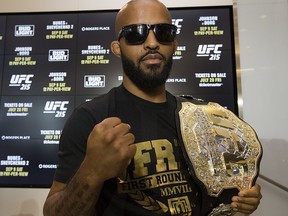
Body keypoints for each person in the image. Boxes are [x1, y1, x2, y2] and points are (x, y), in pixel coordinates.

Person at [43, 0, 262, 215]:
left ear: (174, 45)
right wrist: (91, 172)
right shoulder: (91, 118)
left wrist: (240, 202)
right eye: (135, 33)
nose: (152, 43)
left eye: (163, 32)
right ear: (117, 48)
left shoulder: (201, 117)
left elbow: (218, 197)